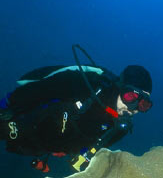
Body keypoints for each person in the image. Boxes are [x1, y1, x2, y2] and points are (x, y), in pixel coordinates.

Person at [0, 45, 153, 171]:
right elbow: (43, 88)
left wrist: (66, 150)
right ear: (120, 88)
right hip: (19, 119)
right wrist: (8, 104)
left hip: (36, 145)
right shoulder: (90, 84)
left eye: (143, 104)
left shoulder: (121, 127)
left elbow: (95, 147)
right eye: (131, 97)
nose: (133, 108)